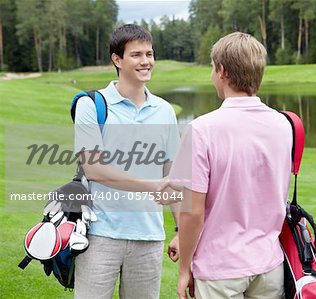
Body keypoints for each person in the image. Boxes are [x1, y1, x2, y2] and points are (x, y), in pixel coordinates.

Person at [169, 32, 292, 299]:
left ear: (222, 71)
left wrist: (184, 268)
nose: (212, 75)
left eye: (213, 69)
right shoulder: (284, 124)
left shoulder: (201, 129)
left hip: (220, 269)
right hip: (269, 265)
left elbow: (192, 212)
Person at [73, 24, 180, 299]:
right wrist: (150, 186)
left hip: (149, 239)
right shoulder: (91, 105)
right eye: (136, 55)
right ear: (117, 59)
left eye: (149, 53)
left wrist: (180, 229)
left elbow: (172, 178)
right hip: (99, 235)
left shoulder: (165, 110)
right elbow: (94, 168)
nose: (146, 61)